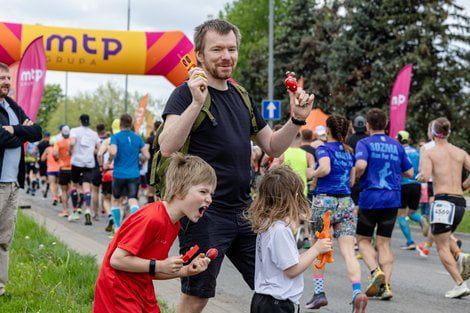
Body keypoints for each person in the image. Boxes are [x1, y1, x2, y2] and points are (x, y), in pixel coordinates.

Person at [159, 19, 315, 313]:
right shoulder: (185, 94)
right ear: (200, 55)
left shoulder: (241, 96)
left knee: (274, 285)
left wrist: (296, 120)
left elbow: (272, 146)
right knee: (197, 295)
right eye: (217, 49)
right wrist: (195, 103)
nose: (226, 56)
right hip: (205, 213)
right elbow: (168, 146)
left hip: (246, 211)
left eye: (231, 49)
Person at [93, 153, 216, 312]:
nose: (209, 199)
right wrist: (158, 264)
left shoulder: (174, 224)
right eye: (203, 192)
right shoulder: (152, 218)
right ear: (179, 191)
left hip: (141, 289)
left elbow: (151, 269)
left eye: (211, 194)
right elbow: (117, 260)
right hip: (118, 291)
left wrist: (186, 270)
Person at [246, 165, 332, 313]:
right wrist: (316, 249)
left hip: (267, 300)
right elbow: (292, 270)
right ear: (291, 197)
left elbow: (291, 261)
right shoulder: (279, 230)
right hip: (277, 304)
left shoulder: (269, 224)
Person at [305, 115, 368, 312]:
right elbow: (351, 182)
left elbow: (324, 168)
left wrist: (312, 173)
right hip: (346, 202)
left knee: (318, 248)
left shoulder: (323, 149)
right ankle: (357, 292)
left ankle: (319, 293)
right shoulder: (348, 152)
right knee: (349, 251)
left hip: (325, 201)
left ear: (329, 131)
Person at [354, 108, 413, 300]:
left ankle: (374, 271)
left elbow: (361, 165)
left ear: (368, 125)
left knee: (363, 240)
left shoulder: (364, 143)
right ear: (386, 125)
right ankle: (386, 286)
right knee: (384, 243)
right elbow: (410, 172)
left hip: (371, 197)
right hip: (392, 198)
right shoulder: (397, 145)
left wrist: (358, 175)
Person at [0, 62, 42, 296]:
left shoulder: (12, 106)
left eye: (8, 78)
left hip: (13, 184)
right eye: (1, 78)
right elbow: (1, 139)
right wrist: (21, 133)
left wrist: (13, 130)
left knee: (4, 238)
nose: (6, 82)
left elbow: (37, 132)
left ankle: (0, 287)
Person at [417, 117, 470, 298]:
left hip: (442, 201)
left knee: (441, 246)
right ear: (448, 133)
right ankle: (461, 256)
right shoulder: (460, 152)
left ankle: (459, 284)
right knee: (445, 236)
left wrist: (419, 177)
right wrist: (463, 185)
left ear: (432, 132)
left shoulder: (427, 150)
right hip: (460, 202)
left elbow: (424, 175)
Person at [108, 113, 149, 230]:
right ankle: (134, 227)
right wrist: (140, 160)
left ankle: (117, 227)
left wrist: (111, 159)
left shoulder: (115, 137)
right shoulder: (137, 138)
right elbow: (146, 155)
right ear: (131, 124)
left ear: (120, 123)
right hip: (134, 174)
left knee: (116, 200)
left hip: (119, 174)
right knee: (133, 200)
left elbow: (113, 152)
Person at [396, 130, 429, 250]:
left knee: (400, 214)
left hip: (403, 184)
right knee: (412, 212)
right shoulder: (416, 152)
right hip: (416, 184)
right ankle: (422, 219)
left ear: (398, 140)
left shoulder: (399, 151)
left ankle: (410, 242)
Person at [69, 114, 101, 225]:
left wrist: (71, 149)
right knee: (87, 186)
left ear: (80, 121)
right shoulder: (94, 134)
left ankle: (75, 211)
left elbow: (72, 142)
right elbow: (99, 148)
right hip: (89, 162)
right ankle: (87, 208)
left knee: (74, 185)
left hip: (77, 161)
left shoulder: (74, 131)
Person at [53, 126, 73, 218]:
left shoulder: (58, 143)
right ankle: (75, 209)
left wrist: (58, 160)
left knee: (64, 190)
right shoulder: (72, 142)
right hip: (73, 168)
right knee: (71, 189)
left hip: (63, 168)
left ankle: (65, 210)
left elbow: (55, 153)